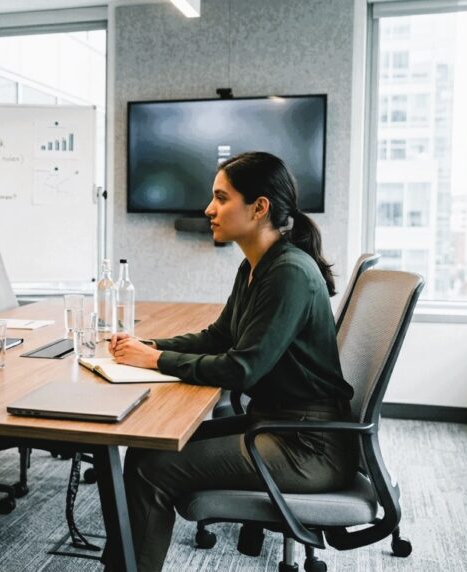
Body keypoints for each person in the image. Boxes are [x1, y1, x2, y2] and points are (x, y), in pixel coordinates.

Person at [108, 152, 357, 572]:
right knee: (146, 450)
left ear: (259, 208)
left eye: (221, 198)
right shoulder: (256, 266)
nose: (208, 209)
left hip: (307, 446)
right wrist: (146, 346)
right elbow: (218, 337)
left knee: (153, 468)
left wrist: (155, 360)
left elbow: (242, 369)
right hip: (281, 425)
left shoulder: (288, 272)